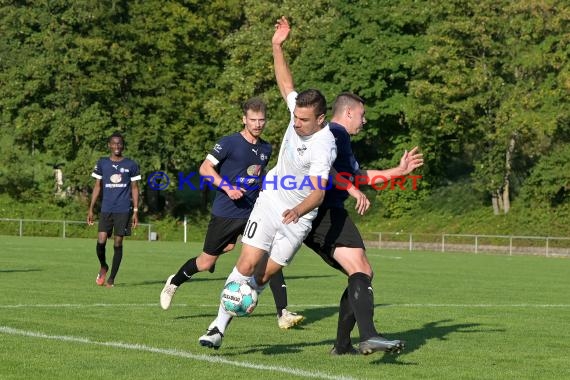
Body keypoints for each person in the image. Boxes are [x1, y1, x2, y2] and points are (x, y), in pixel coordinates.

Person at [198, 16, 337, 350]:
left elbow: (318, 192)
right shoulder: (298, 112)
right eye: (296, 117)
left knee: (262, 276)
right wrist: (276, 45)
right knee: (246, 264)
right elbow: (286, 84)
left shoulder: (324, 145)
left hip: (299, 216)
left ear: (321, 119)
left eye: (304, 120)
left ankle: (245, 301)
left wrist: (298, 209)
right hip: (271, 200)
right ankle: (217, 328)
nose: (297, 123)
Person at [159, 97, 304, 329]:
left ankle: (282, 312)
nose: (257, 124)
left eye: (262, 120)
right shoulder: (228, 143)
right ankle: (173, 282)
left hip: (255, 211)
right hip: (226, 213)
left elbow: (258, 177)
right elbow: (205, 169)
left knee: (269, 256)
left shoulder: (266, 148)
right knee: (206, 262)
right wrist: (226, 186)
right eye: (253, 120)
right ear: (244, 119)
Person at [303, 96, 423, 354]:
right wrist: (353, 191)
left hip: (325, 212)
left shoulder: (336, 137)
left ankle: (344, 346)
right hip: (324, 212)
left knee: (361, 271)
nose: (364, 120)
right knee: (361, 269)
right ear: (348, 112)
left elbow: (359, 176)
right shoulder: (335, 133)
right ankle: (367, 336)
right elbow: (325, 169)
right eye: (362, 114)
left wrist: (398, 173)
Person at [87, 132, 141, 288]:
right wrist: (91, 209)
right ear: (109, 145)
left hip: (123, 210)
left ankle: (111, 279)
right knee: (101, 241)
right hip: (106, 209)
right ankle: (103, 266)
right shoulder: (102, 163)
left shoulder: (131, 164)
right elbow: (97, 186)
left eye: (119, 143)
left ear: (123, 146)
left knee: (118, 243)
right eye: (114, 143)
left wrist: (136, 211)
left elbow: (135, 188)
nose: (117, 146)